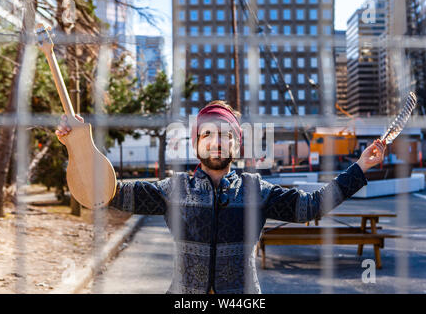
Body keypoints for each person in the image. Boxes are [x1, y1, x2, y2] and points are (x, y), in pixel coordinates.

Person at [55, 100, 386, 294]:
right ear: (196, 142)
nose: (216, 142)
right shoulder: (173, 190)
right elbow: (106, 194)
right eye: (208, 134)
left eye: (226, 135)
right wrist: (79, 146)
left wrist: (359, 168)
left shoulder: (258, 191)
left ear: (237, 144)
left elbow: (311, 206)